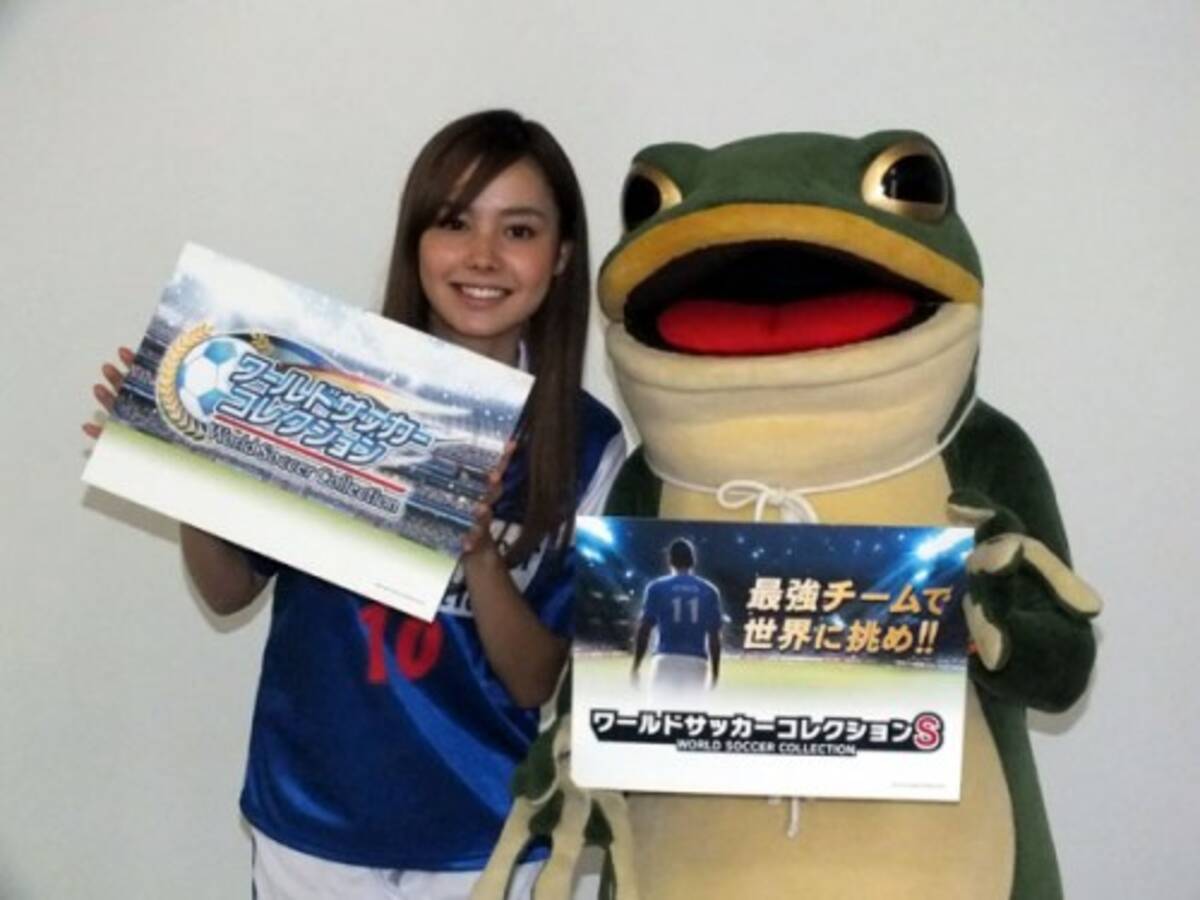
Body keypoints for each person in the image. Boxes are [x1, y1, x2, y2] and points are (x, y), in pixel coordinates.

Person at [85, 109, 625, 899]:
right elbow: (228, 592)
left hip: (488, 838)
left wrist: (478, 552)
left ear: (562, 255)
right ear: (416, 241)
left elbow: (535, 681)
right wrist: (188, 467)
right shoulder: (327, 384)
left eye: (518, 230)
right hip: (313, 822)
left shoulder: (586, 442)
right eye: (454, 223)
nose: (482, 256)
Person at [631, 538, 724, 695]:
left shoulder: (657, 587)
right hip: (697, 660)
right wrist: (715, 672)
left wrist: (636, 665)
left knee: (661, 709)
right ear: (693, 560)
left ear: (670, 560)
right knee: (690, 710)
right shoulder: (709, 590)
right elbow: (714, 636)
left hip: (666, 657)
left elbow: (644, 629)